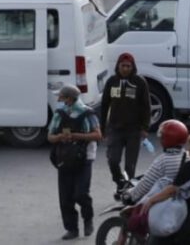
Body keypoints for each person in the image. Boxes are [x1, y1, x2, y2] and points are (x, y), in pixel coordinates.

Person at [47, 85, 102, 241]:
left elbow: (98, 135)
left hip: (85, 158)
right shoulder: (60, 114)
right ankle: (72, 229)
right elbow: (50, 136)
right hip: (64, 158)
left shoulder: (87, 114)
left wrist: (76, 136)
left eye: (62, 97)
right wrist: (60, 138)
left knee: (81, 193)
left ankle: (88, 218)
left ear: (70, 98)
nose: (59, 100)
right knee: (65, 197)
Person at [99, 52, 151, 191]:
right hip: (115, 129)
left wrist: (145, 127)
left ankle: (127, 189)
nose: (126, 69)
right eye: (123, 66)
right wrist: (102, 128)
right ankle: (120, 182)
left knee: (130, 165)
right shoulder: (111, 81)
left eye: (128, 66)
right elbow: (104, 105)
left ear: (133, 67)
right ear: (118, 66)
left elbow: (146, 106)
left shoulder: (139, 82)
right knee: (113, 160)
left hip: (134, 130)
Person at [121, 119, 188, 206]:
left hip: (162, 201)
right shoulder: (188, 156)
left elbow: (146, 184)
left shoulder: (163, 160)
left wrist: (130, 195)